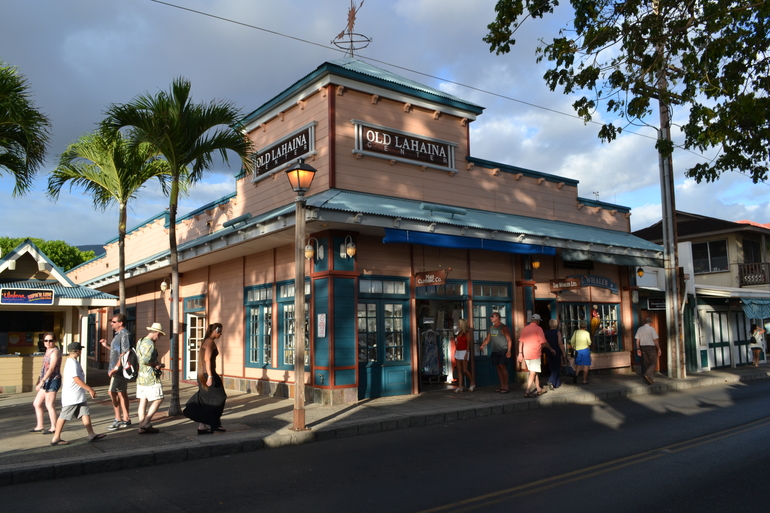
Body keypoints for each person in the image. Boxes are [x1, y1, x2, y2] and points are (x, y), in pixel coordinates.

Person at [50, 343, 105, 445]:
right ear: (78, 351)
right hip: (72, 396)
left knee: (85, 412)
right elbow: (76, 379)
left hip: (78, 396)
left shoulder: (73, 362)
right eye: (80, 350)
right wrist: (90, 389)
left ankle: (91, 434)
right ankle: (56, 437)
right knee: (64, 415)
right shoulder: (72, 363)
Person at [184, 323, 227, 434]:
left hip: (203, 374)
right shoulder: (210, 342)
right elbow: (207, 359)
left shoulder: (206, 341)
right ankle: (213, 423)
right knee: (220, 397)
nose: (221, 334)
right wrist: (210, 376)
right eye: (220, 332)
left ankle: (204, 426)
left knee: (206, 398)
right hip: (208, 374)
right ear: (216, 330)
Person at [99, 313, 131, 431]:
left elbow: (125, 353)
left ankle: (118, 419)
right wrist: (107, 345)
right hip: (117, 368)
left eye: (113, 322)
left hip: (119, 370)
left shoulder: (124, 334)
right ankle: (126, 418)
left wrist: (116, 368)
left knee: (111, 392)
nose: (111, 324)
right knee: (121, 392)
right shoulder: (118, 335)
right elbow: (117, 351)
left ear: (120, 323)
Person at [136, 323, 166, 434]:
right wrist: (157, 364)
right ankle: (146, 422)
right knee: (159, 399)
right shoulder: (150, 344)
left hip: (141, 376)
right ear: (157, 333)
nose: (159, 338)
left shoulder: (140, 340)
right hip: (150, 377)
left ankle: (141, 425)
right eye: (160, 335)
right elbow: (145, 361)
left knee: (143, 400)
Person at [31, 333, 61, 433]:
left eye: (50, 340)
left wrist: (42, 382)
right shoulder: (47, 351)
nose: (48, 342)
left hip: (53, 380)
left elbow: (51, 368)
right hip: (45, 380)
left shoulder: (55, 352)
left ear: (55, 341)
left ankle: (54, 427)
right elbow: (44, 368)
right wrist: (40, 380)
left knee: (49, 405)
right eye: (46, 340)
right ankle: (40, 425)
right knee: (37, 403)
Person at [518, 314, 554, 397]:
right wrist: (551, 348)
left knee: (534, 372)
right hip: (535, 353)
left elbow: (521, 341)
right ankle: (527, 391)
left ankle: (538, 389)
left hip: (526, 353)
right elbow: (543, 341)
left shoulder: (525, 328)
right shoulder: (538, 329)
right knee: (533, 372)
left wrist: (520, 353)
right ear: (537, 321)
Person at [479, 312, 513, 393]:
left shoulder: (504, 327)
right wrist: (483, 345)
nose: (491, 318)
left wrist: (509, 351)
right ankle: (501, 386)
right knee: (498, 368)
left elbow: (509, 339)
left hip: (503, 350)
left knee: (502, 367)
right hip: (495, 351)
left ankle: (506, 386)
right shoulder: (492, 328)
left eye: (492, 316)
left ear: (497, 317)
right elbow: (488, 338)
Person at [635, 317, 661, 384]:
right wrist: (659, 348)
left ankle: (650, 379)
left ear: (644, 322)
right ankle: (647, 374)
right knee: (653, 362)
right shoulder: (651, 329)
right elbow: (655, 340)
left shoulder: (640, 329)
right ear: (650, 323)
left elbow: (637, 340)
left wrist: (638, 349)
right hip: (651, 347)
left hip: (643, 347)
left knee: (646, 363)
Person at [452, 319, 475, 393]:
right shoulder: (459, 332)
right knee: (459, 369)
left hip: (464, 351)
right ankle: (460, 386)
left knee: (465, 369)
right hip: (458, 351)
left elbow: (468, 343)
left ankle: (472, 382)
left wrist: (467, 352)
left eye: (459, 323)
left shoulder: (467, 333)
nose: (458, 325)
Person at [544, 319, 565, 390]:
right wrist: (563, 352)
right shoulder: (557, 332)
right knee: (557, 368)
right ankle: (550, 381)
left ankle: (556, 384)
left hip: (548, 351)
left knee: (552, 368)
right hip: (556, 351)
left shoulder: (545, 332)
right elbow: (560, 343)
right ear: (556, 325)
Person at [570, 320, 592, 384]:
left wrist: (574, 346)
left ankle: (576, 375)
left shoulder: (576, 332)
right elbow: (589, 342)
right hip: (585, 350)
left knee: (578, 364)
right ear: (585, 326)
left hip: (578, 350)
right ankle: (584, 380)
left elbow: (572, 341)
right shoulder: (587, 333)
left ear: (579, 326)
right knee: (586, 365)